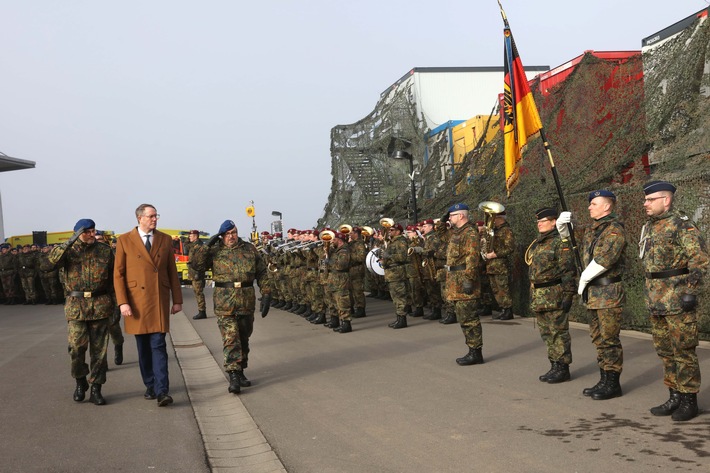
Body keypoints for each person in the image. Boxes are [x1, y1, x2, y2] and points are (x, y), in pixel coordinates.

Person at [640, 180, 708, 421]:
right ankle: (675, 396)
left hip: (678, 300)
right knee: (665, 351)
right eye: (645, 199)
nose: (645, 204)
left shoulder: (682, 226)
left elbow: (699, 260)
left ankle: (690, 401)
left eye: (650, 199)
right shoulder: (650, 227)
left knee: (683, 351)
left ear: (666, 200)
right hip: (656, 300)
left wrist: (691, 291)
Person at [558, 189, 627, 400]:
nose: (589, 207)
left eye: (594, 203)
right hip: (594, 293)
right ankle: (604, 379)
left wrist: (585, 279)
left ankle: (613, 383)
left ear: (607, 206)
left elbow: (605, 260)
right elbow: (571, 243)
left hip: (608, 292)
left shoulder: (614, 230)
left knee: (609, 339)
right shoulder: (592, 230)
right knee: (598, 338)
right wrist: (562, 227)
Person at [114, 204, 183, 407]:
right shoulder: (124, 240)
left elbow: (172, 271)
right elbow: (118, 275)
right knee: (143, 348)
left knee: (159, 345)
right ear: (139, 218)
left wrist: (177, 300)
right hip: (135, 302)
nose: (155, 219)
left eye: (156, 216)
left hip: (158, 299)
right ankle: (150, 384)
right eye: (151, 216)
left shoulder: (164, 239)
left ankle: (163, 391)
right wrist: (123, 302)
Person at [191, 220, 271, 393]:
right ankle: (233, 374)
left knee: (243, 337)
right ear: (221, 236)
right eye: (227, 234)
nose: (231, 236)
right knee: (230, 337)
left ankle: (241, 369)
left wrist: (266, 293)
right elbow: (197, 265)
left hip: (246, 300)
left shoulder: (249, 249)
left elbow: (262, 272)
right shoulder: (214, 251)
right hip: (224, 302)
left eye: (234, 232)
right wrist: (206, 246)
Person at [49, 219, 114, 405]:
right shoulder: (67, 252)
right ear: (77, 233)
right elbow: (50, 263)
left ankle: (96, 388)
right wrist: (71, 241)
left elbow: (113, 280)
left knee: (99, 352)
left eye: (93, 231)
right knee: (76, 349)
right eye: (87, 232)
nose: (92, 235)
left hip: (100, 305)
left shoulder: (105, 251)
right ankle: (80, 382)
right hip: (76, 306)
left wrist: (116, 305)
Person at [526, 208, 576, 383]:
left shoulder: (560, 242)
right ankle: (554, 364)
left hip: (554, 294)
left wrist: (569, 293)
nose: (539, 223)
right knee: (547, 333)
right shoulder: (539, 243)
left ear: (554, 222)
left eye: (543, 220)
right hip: (539, 295)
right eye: (538, 221)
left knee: (558, 332)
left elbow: (568, 270)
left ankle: (563, 367)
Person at [445, 203, 484, 365]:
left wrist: (469, 279)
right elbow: (441, 229)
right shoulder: (457, 232)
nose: (449, 218)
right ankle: (472, 349)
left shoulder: (470, 233)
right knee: (463, 318)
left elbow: (472, 258)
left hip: (463, 280)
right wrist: (444, 219)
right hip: (455, 281)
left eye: (452, 215)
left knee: (469, 318)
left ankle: (476, 352)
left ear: (461, 216)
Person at [482, 212, 515, 320]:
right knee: (496, 289)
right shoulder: (493, 230)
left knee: (503, 288)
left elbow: (510, 248)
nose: (493, 220)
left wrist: (495, 254)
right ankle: (503, 309)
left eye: (494, 218)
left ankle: (508, 310)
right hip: (491, 265)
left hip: (500, 265)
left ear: (500, 218)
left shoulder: (506, 230)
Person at [381, 223, 410, 329]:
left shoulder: (401, 241)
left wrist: (389, 256)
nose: (390, 231)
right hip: (391, 273)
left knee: (400, 297)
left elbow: (402, 257)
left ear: (398, 231)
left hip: (397, 273)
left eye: (392, 230)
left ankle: (402, 320)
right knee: (395, 297)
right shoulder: (392, 242)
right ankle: (399, 318)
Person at [185, 230, 208, 320]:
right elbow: (186, 246)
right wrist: (187, 238)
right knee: (197, 292)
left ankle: (202, 311)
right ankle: (201, 311)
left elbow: (200, 261)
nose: (189, 237)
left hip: (197, 273)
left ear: (196, 236)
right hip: (194, 273)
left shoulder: (199, 246)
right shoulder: (193, 244)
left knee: (199, 292)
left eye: (191, 236)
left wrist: (198, 272)